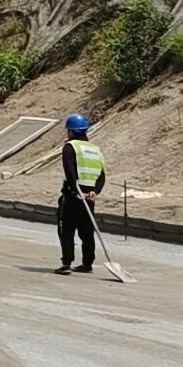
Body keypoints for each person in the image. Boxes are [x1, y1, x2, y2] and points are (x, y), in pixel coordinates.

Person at [56, 112, 107, 275]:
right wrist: (94, 192)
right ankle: (87, 263)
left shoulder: (70, 147)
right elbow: (101, 175)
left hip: (73, 195)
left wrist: (74, 190)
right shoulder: (95, 149)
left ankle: (66, 263)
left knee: (67, 229)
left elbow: (69, 170)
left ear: (70, 131)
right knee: (87, 231)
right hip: (89, 196)